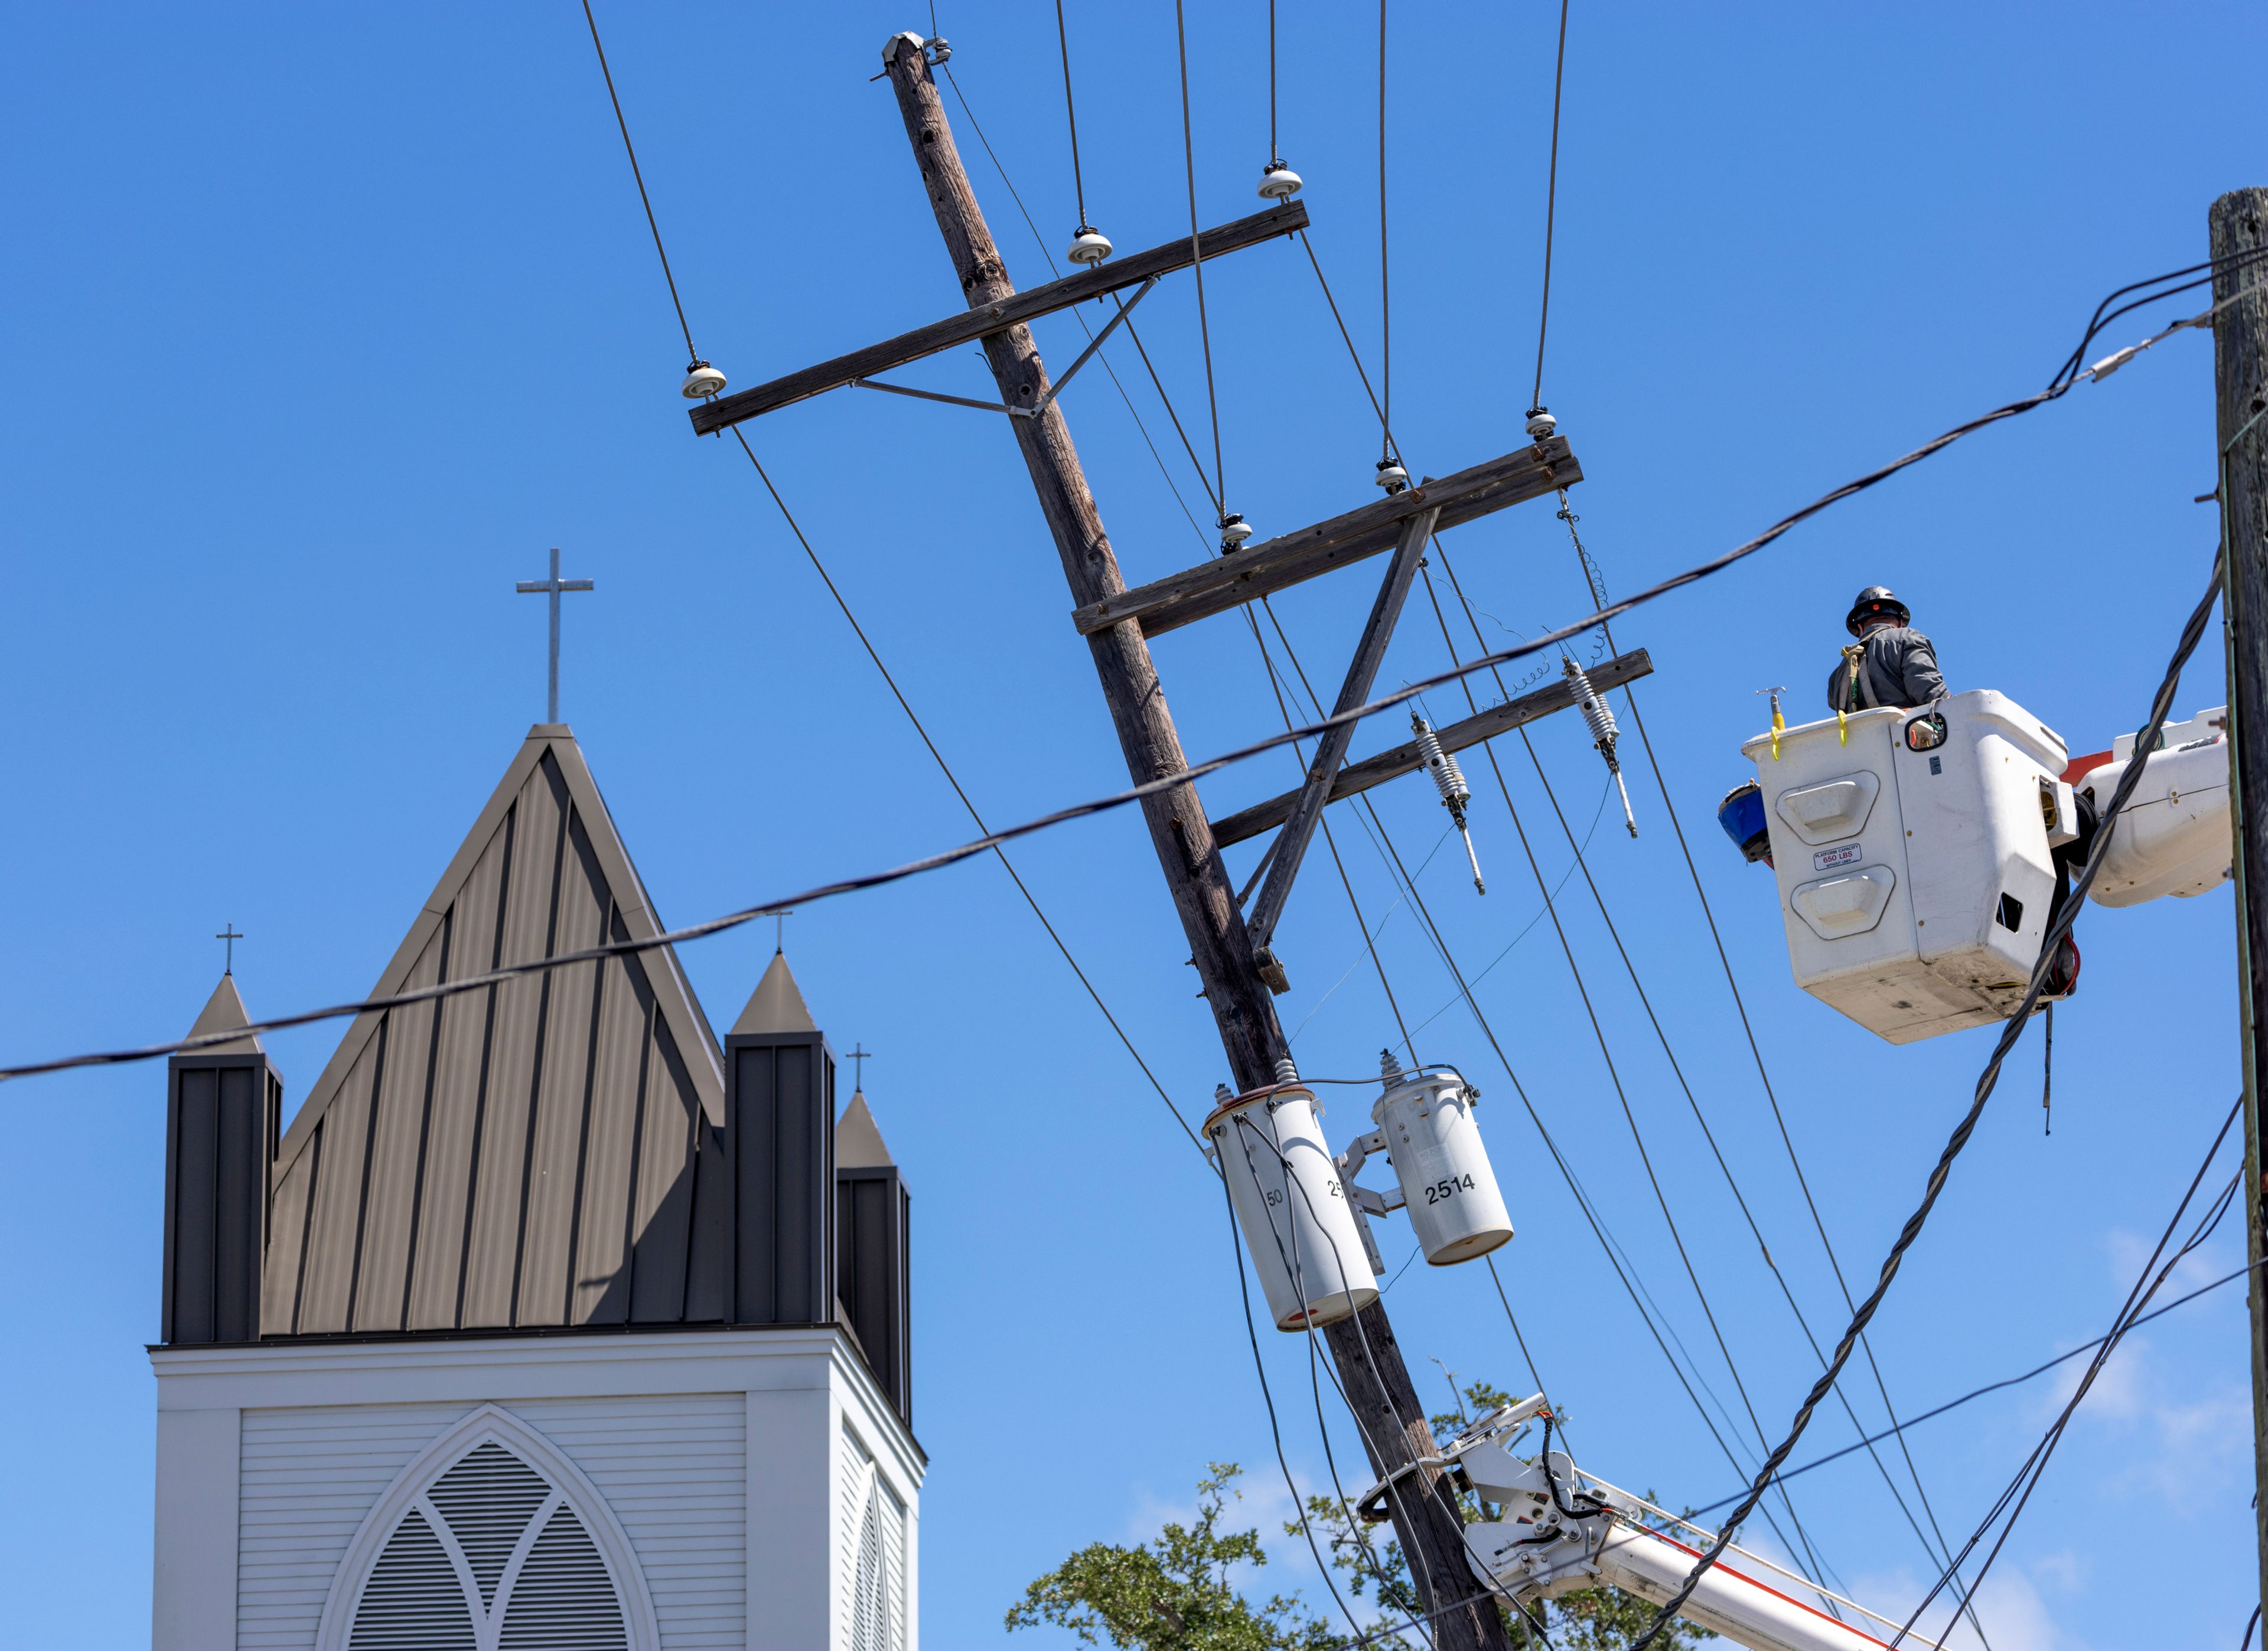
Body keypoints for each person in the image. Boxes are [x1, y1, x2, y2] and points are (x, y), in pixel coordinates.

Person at [1827, 586, 1947, 713]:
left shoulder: (1837, 676)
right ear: (1900, 623)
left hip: (1857, 734)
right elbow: (1930, 691)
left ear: (1860, 627)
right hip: (1904, 731)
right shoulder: (1907, 638)